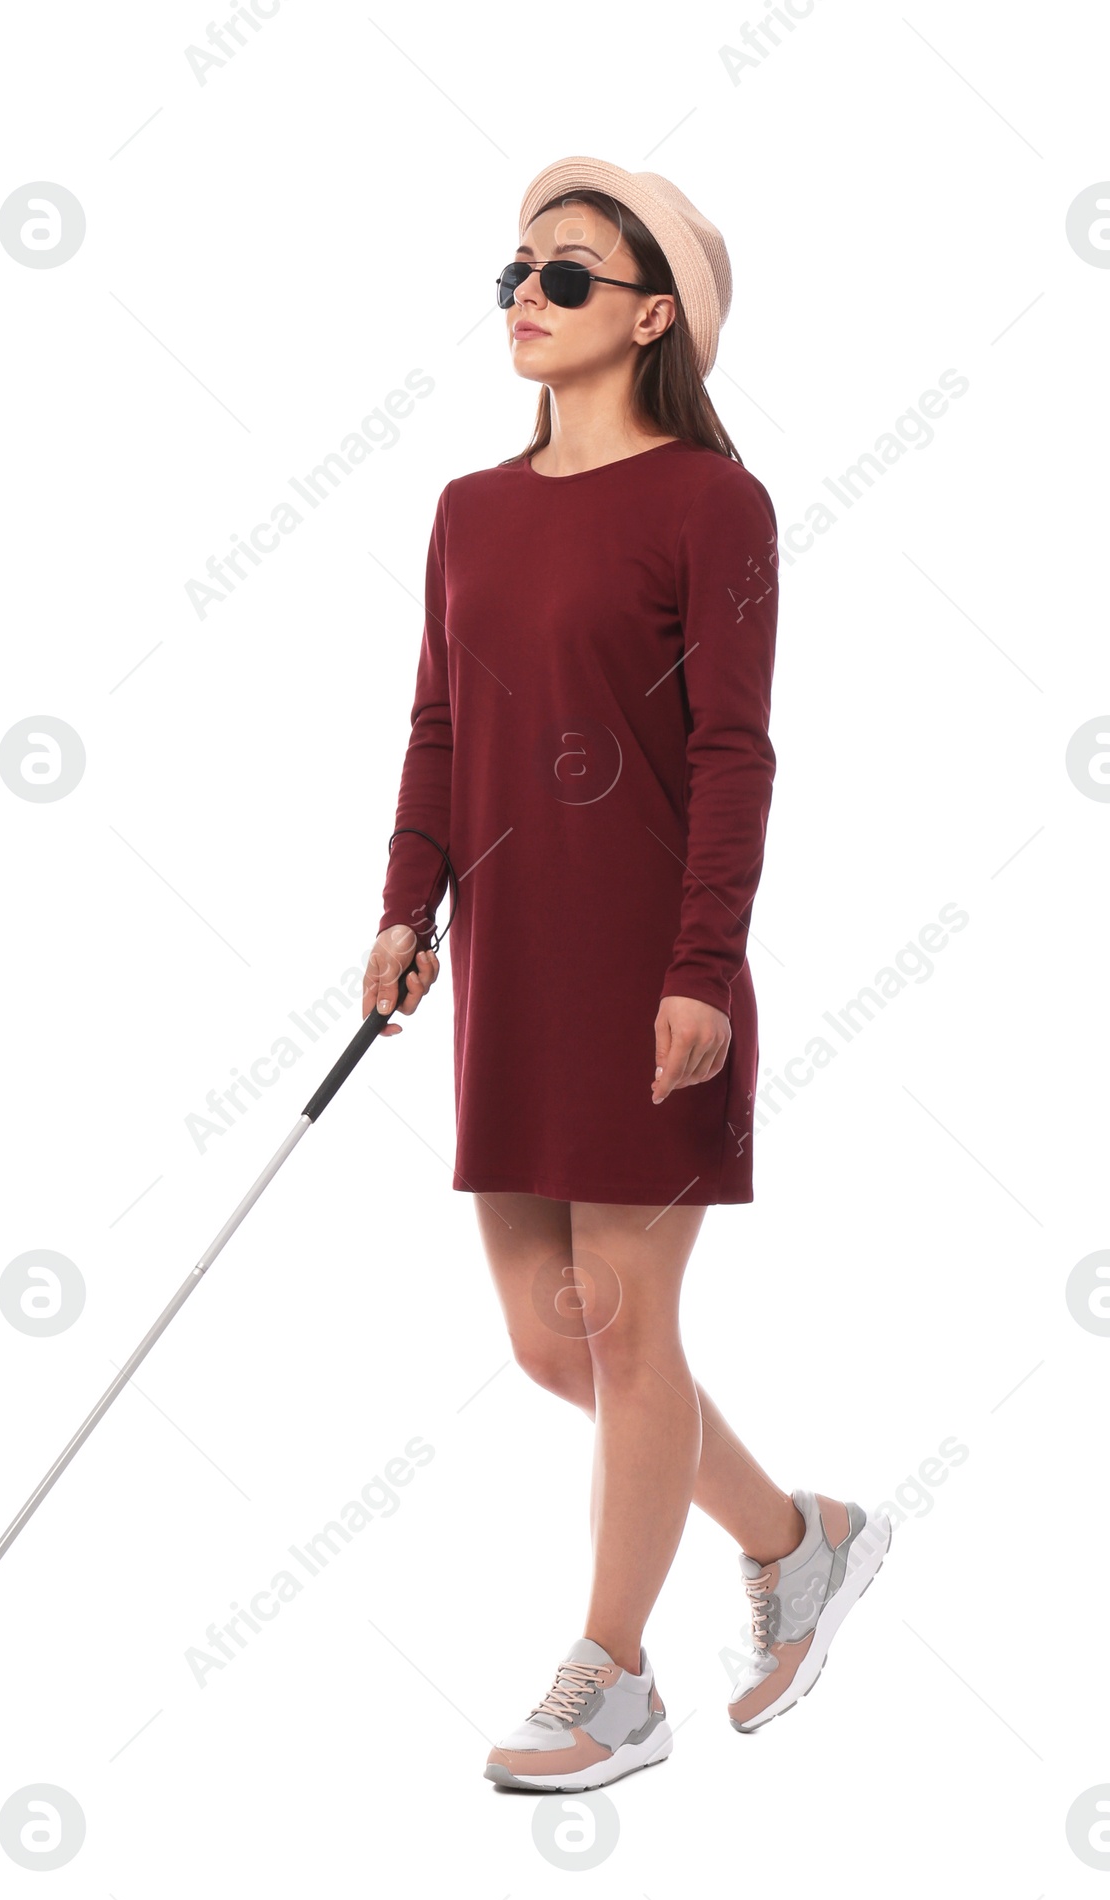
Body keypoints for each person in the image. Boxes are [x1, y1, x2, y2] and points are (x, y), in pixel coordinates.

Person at [364, 156, 890, 1793]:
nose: (526, 295)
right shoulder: (470, 507)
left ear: (652, 315)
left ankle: (616, 1675)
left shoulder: (711, 505)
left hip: (655, 968)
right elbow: (442, 723)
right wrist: (402, 905)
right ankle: (800, 1541)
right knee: (549, 1338)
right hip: (513, 972)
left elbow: (735, 750)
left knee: (626, 1321)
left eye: (568, 276)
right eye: (514, 271)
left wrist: (704, 968)